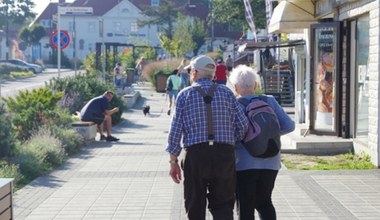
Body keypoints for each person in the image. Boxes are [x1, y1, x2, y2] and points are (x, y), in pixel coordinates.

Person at [166, 55, 249, 220]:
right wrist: (231, 141)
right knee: (224, 204)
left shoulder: (185, 95)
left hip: (195, 155)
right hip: (224, 154)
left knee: (195, 203)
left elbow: (175, 131)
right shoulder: (227, 93)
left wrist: (173, 161)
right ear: (212, 74)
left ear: (195, 73)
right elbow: (243, 125)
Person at [229, 65, 295, 220]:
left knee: (245, 206)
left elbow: (232, 134)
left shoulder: (235, 104)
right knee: (265, 202)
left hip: (244, 163)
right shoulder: (270, 101)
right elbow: (290, 126)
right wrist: (267, 136)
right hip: (271, 162)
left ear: (236, 87)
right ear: (255, 85)